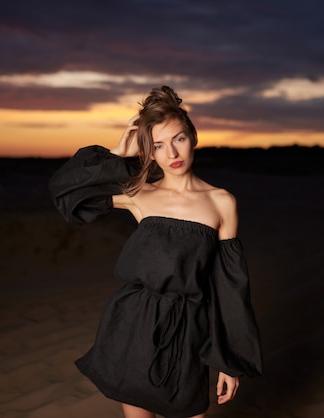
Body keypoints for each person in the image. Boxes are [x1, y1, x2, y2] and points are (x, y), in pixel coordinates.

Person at [48, 86, 262, 418]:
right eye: (158, 145)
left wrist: (229, 361)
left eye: (178, 139)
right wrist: (118, 153)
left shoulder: (221, 202)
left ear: (192, 137)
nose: (171, 153)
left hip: (188, 329)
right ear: (148, 152)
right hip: (132, 325)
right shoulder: (139, 194)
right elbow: (67, 192)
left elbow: (229, 287)